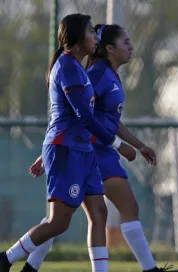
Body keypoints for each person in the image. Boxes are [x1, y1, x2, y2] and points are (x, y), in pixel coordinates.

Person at [21, 24, 178, 272]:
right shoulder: (97, 74)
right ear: (109, 48)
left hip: (99, 150)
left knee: (66, 215)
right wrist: (46, 154)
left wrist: (139, 145)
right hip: (93, 151)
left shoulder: (110, 75)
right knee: (113, 209)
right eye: (126, 42)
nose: (131, 47)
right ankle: (150, 270)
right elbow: (77, 113)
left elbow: (111, 121)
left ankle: (30, 266)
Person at [0, 13, 137, 272]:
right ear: (76, 39)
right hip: (67, 151)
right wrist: (119, 145)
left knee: (99, 213)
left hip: (83, 151)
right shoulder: (68, 68)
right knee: (58, 222)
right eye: (90, 32)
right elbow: (83, 117)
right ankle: (6, 259)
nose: (95, 36)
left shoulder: (79, 69)